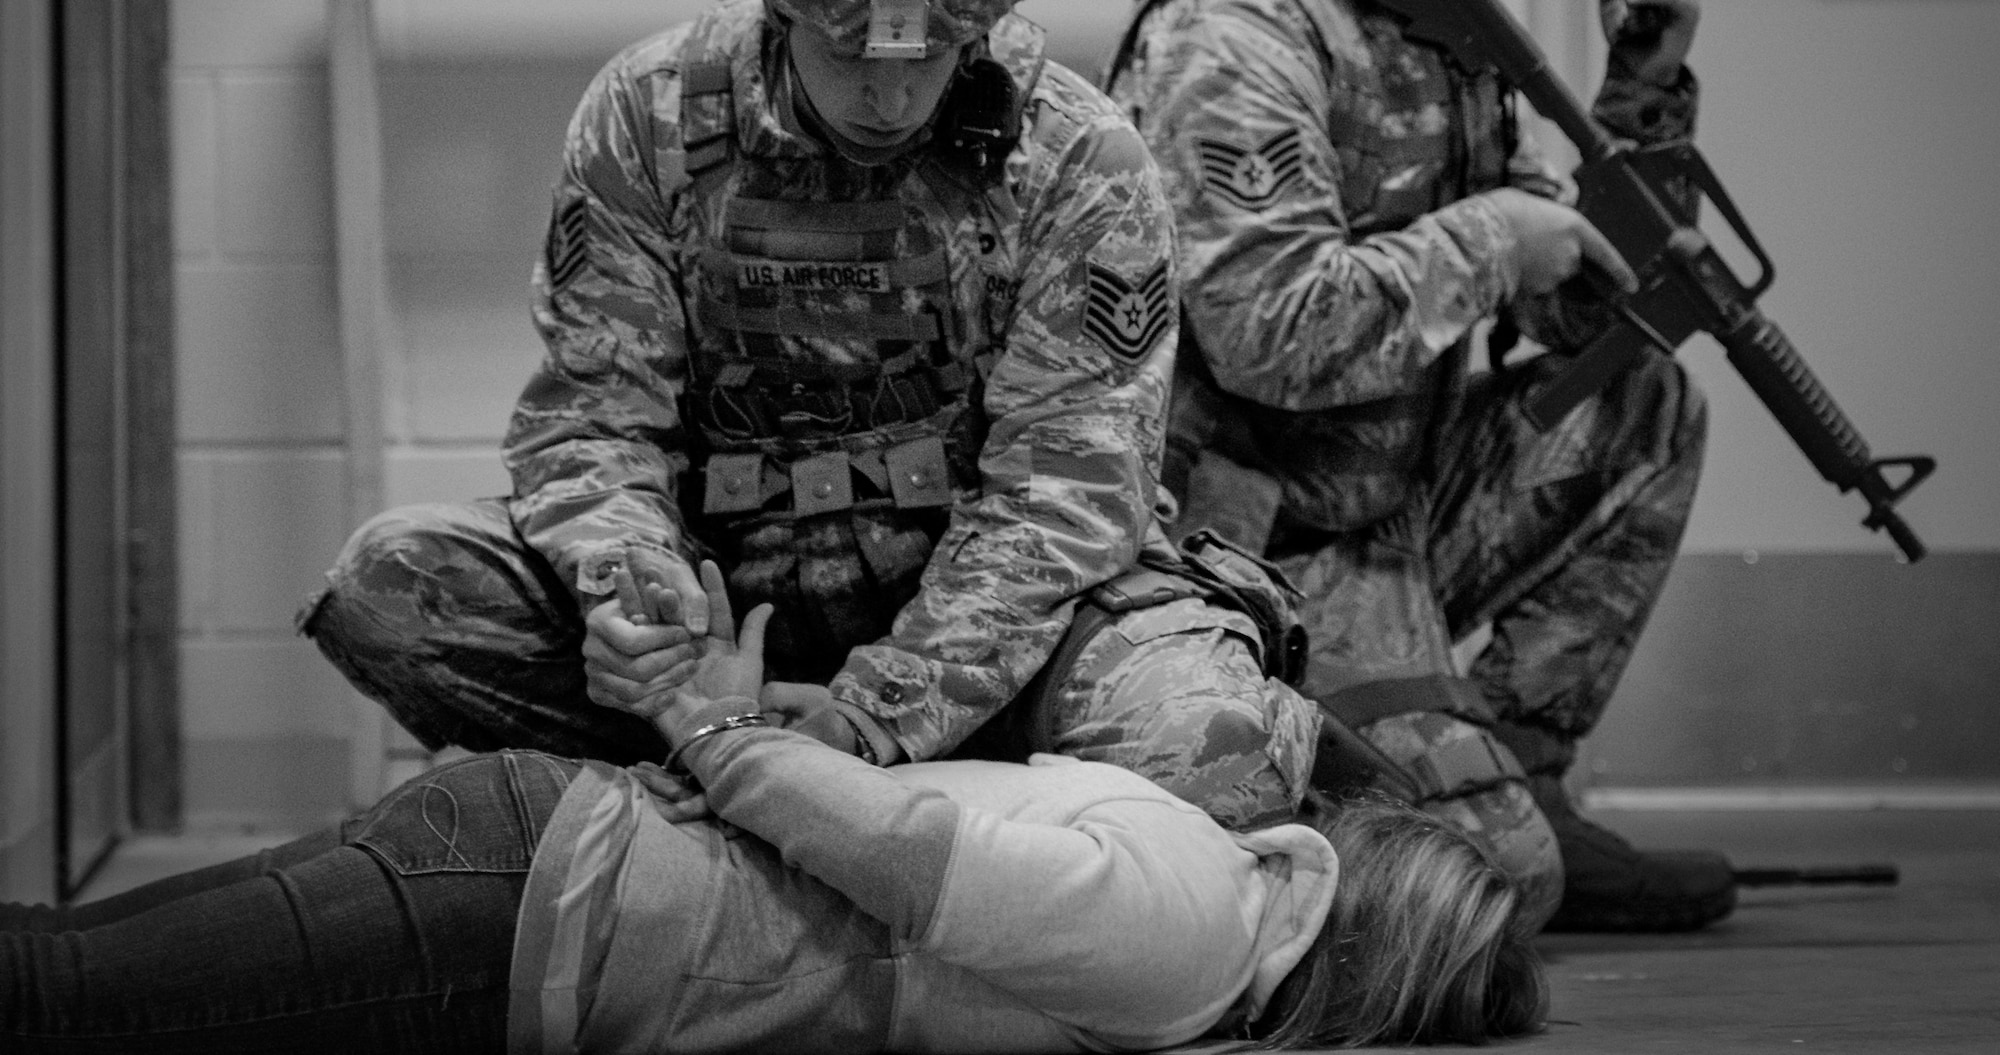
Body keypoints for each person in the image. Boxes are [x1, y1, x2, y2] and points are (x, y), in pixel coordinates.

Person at [299, 0, 1317, 831]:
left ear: (978, 20)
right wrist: (636, 600)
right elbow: (596, 418)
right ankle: (729, 794)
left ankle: (790, 813)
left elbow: (1062, 496)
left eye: (928, 55)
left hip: (995, 637)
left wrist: (871, 716)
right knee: (397, 584)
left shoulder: (1074, 156)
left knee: (1216, 747)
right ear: (773, 3)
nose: (890, 95)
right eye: (849, 52)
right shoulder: (648, 121)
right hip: (724, 617)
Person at [1102, 0, 1729, 933]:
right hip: (1246, 543)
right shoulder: (1233, 34)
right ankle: (1344, 779)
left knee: (1645, 406)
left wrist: (1643, 91)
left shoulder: (1430, 26)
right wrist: (1497, 237)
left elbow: (1573, 315)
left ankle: (1521, 774)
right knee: (1487, 885)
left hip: (1389, 505)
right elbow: (1271, 332)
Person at [1, 564, 1546, 1053]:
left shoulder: (1198, 886)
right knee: (59, 993)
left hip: (539, 867)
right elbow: (890, 850)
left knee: (63, 970)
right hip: (540, 900)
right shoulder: (1184, 933)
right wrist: (717, 723)